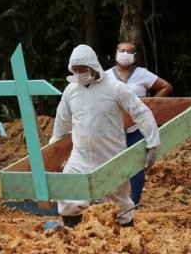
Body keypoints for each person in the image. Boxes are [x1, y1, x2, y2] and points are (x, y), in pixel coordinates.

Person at [50, 44, 160, 228]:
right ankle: (72, 238)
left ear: (93, 67)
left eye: (82, 70)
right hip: (80, 158)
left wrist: (152, 144)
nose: (79, 75)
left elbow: (141, 113)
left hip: (111, 157)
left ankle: (126, 238)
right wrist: (54, 152)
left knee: (119, 204)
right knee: (68, 194)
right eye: (74, 71)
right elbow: (62, 121)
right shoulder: (71, 91)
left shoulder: (115, 87)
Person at [106, 41, 172, 205]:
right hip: (113, 128)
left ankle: (134, 202)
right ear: (115, 53)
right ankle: (112, 202)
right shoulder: (105, 76)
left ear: (135, 56)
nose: (125, 54)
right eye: (122, 50)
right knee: (113, 165)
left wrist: (150, 105)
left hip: (137, 127)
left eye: (130, 51)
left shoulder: (142, 74)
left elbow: (166, 87)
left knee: (137, 164)